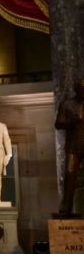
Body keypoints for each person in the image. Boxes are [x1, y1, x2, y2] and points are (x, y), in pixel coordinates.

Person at [54, 78, 84, 216]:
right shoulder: (67, 104)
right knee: (70, 175)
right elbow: (58, 124)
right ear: (77, 89)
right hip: (73, 145)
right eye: (81, 89)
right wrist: (72, 122)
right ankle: (66, 207)